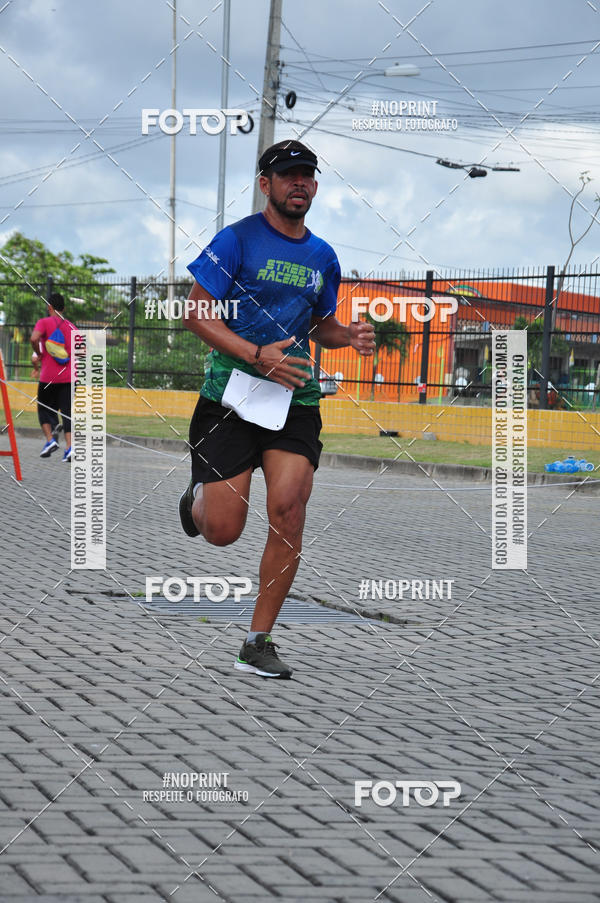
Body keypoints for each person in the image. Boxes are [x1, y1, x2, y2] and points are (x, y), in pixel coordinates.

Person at [180, 139, 375, 679]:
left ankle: (257, 640)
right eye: (288, 175)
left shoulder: (323, 256)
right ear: (265, 183)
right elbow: (196, 315)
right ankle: (196, 503)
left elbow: (320, 325)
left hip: (295, 397)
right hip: (232, 396)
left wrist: (348, 335)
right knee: (223, 530)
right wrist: (254, 355)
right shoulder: (236, 240)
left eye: (308, 176)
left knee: (289, 507)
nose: (300, 184)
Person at [30, 292, 76, 461]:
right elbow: (82, 350)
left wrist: (38, 353)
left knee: (43, 408)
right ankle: (70, 448)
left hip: (49, 377)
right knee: (67, 412)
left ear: (49, 306)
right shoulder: (72, 327)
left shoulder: (44, 322)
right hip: (70, 377)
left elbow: (34, 338)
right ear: (63, 309)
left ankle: (50, 440)